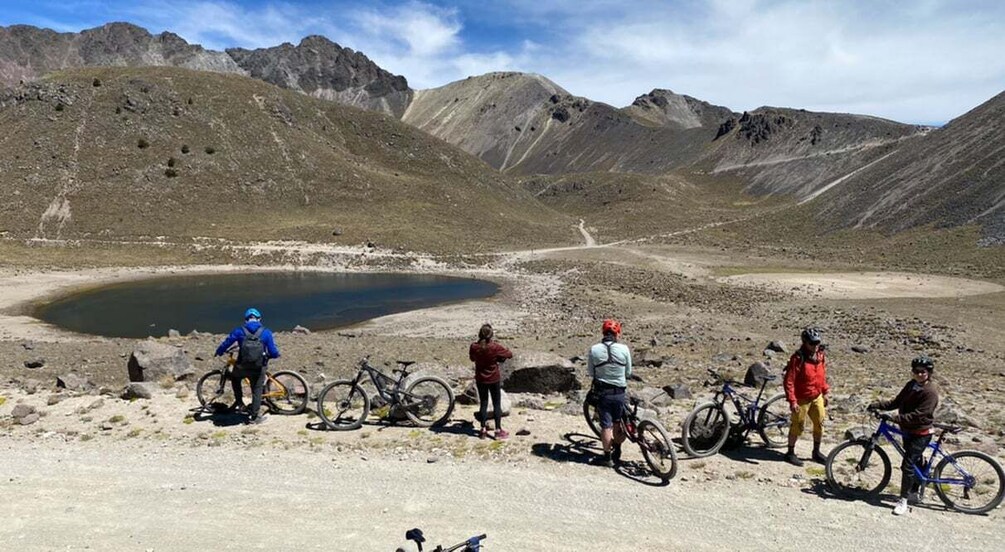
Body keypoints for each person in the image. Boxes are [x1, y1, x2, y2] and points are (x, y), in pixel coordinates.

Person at [869, 356, 939, 516]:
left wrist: (894, 418)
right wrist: (878, 405)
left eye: (923, 372)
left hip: (920, 432)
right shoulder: (912, 385)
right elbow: (896, 402)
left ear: (929, 372)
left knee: (907, 466)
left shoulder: (930, 392)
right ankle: (915, 491)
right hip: (908, 430)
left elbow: (919, 415)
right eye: (916, 371)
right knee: (915, 462)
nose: (920, 374)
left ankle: (903, 501)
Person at [214, 308, 280, 424]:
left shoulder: (239, 331)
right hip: (258, 367)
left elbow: (227, 342)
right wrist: (273, 355)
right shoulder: (266, 332)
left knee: (235, 378)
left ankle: (240, 403)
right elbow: (273, 352)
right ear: (259, 319)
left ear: (246, 320)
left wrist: (219, 351)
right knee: (257, 389)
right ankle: (254, 417)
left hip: (242, 367)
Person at [586, 319, 632, 467]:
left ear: (603, 333)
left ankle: (607, 458)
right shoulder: (624, 349)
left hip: (603, 393)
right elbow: (628, 372)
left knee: (606, 425)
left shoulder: (594, 349)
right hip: (619, 392)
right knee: (618, 422)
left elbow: (590, 372)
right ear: (617, 334)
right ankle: (617, 450)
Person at [783, 327, 830, 466]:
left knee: (820, 424)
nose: (815, 346)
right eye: (812, 343)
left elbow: (822, 375)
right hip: (801, 398)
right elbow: (789, 381)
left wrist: (825, 391)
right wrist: (792, 401)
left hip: (817, 396)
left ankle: (816, 452)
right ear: (805, 343)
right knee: (797, 426)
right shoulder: (798, 358)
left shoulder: (820, 355)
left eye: (817, 343)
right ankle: (790, 453)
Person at [468, 323, 512, 439]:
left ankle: (482, 429)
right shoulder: (495, 347)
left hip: (481, 378)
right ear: (491, 335)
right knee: (496, 404)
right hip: (493, 378)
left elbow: (472, 358)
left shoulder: (474, 346)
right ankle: (498, 430)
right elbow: (509, 354)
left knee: (483, 403)